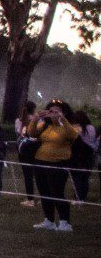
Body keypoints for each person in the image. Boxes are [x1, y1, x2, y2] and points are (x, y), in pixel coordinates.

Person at [26, 99, 79, 231]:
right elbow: (31, 133)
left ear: (64, 113)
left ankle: (65, 221)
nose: (53, 113)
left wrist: (62, 120)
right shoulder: (45, 125)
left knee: (57, 192)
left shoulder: (67, 126)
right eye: (51, 111)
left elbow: (73, 135)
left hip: (58, 163)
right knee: (44, 192)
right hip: (40, 162)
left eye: (57, 111)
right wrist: (36, 118)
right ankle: (49, 220)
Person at [70, 110, 97, 204]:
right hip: (90, 154)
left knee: (77, 177)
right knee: (85, 177)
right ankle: (83, 197)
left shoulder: (76, 128)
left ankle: (78, 197)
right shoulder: (92, 127)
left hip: (78, 155)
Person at [15, 100, 38, 207]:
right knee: (38, 174)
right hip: (35, 149)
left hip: (24, 150)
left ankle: (30, 199)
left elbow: (18, 133)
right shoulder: (37, 120)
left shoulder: (19, 121)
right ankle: (44, 196)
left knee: (28, 175)